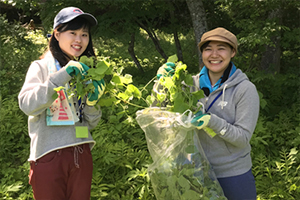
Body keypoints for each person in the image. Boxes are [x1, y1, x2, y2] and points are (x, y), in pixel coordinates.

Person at [156, 27, 259, 200]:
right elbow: (161, 115)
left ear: (233, 52)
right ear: (202, 53)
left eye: (221, 48)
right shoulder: (189, 84)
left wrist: (212, 121)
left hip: (232, 174)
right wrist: (161, 84)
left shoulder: (244, 89)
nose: (214, 54)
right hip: (194, 171)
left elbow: (242, 139)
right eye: (208, 48)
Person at [18, 7, 105, 200]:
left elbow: (91, 123)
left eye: (84, 34)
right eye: (72, 33)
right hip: (48, 155)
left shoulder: (86, 72)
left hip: (81, 153)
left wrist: (92, 102)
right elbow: (26, 104)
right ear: (57, 34)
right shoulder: (40, 67)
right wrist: (61, 76)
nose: (79, 40)